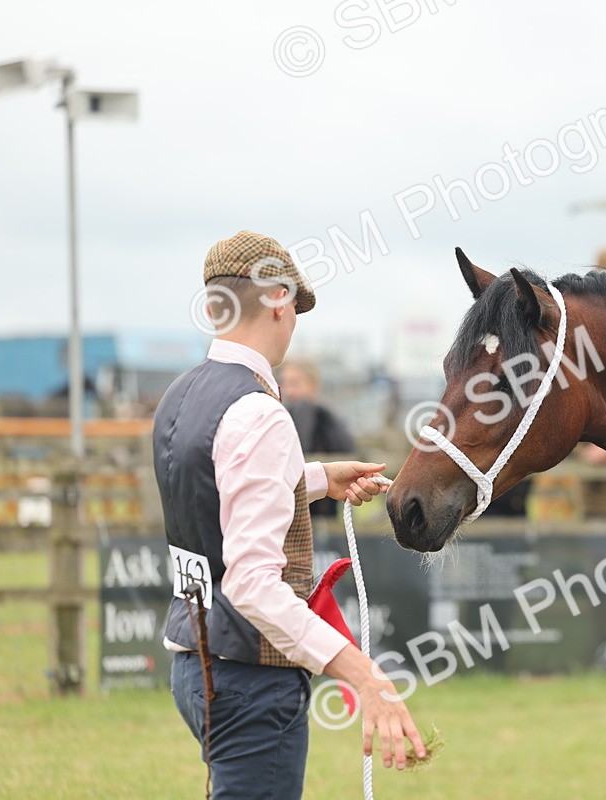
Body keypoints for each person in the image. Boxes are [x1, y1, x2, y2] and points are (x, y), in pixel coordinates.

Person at [154, 231, 425, 799]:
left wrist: (322, 478)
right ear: (278, 298)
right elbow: (253, 583)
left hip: (194, 661)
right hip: (250, 678)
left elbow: (221, 491)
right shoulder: (259, 411)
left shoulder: (179, 395)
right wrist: (362, 674)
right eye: (295, 306)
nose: (295, 320)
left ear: (213, 306)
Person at [280, 360, 357, 520]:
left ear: (313, 385)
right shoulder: (286, 414)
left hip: (321, 513)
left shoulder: (323, 417)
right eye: (285, 384)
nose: (289, 391)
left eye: (295, 383)